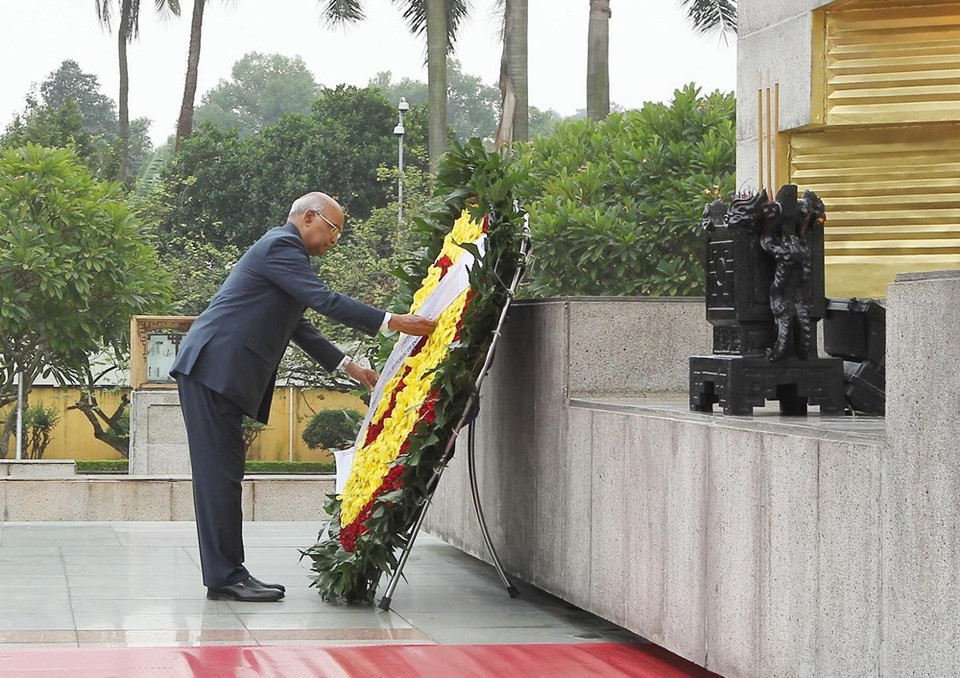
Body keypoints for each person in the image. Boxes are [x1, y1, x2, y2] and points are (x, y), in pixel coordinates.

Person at [170, 192, 436, 602]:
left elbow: (299, 327)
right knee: (218, 477)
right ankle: (226, 576)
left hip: (216, 373)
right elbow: (324, 301)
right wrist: (393, 322)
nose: (335, 239)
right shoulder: (281, 245)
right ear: (309, 217)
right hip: (212, 369)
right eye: (334, 229)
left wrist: (351, 366)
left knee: (223, 476)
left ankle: (228, 573)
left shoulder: (288, 257)